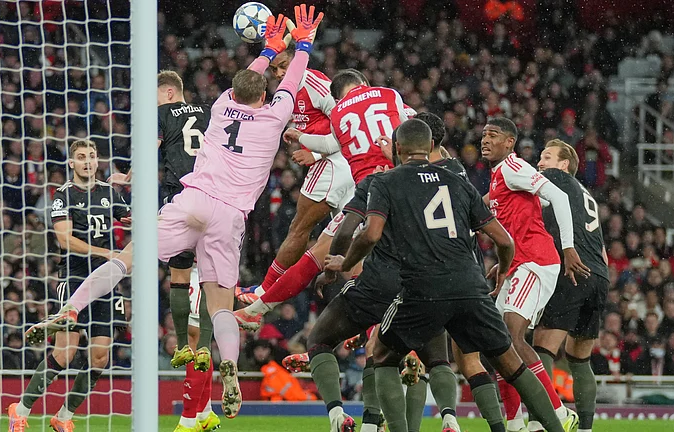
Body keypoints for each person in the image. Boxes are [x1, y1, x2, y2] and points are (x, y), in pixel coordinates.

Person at [24, 5, 324, 420]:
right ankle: (231, 366)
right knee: (220, 304)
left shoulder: (221, 106)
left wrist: (268, 49)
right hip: (230, 214)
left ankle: (71, 307)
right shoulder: (275, 116)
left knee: (129, 259)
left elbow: (248, 80)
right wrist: (303, 44)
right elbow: (291, 82)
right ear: (264, 96)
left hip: (192, 199)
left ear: (233, 93)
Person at [326, 119, 566, 432]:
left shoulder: (387, 181)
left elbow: (370, 234)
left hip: (424, 287)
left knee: (382, 353)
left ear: (397, 148)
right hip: (471, 284)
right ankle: (545, 426)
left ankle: (385, 426)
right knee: (509, 362)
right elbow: (504, 240)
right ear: (430, 148)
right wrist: (504, 269)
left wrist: (345, 264)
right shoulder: (457, 180)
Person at [235, 68, 413, 327]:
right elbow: (416, 127)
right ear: (363, 82)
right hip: (405, 185)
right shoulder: (389, 95)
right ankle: (382, 336)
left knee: (317, 251)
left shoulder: (339, 113)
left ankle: (258, 306)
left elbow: (332, 144)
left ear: (336, 98)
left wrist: (301, 138)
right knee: (405, 264)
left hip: (368, 191)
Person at [110, 70, 218, 432]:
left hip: (180, 200)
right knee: (210, 287)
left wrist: (126, 177)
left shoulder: (162, 114)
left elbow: (149, 149)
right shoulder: (210, 111)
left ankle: (189, 351)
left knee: (170, 271)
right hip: (218, 202)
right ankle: (202, 405)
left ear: (169, 92)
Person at [12, 139, 130, 432]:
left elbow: (131, 220)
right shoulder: (62, 196)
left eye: (91, 156)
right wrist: (105, 253)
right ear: (72, 163)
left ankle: (63, 416)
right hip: (75, 279)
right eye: (81, 157)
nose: (87, 161)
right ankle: (21, 409)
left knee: (100, 356)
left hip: (107, 282)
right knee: (65, 353)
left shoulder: (108, 193)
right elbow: (64, 240)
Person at [481, 117, 588, 432]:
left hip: (536, 261)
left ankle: (557, 411)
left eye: (493, 135)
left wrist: (568, 247)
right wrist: (502, 266)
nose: (485, 140)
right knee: (497, 343)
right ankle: (515, 422)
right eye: (483, 135)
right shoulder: (498, 176)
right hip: (517, 264)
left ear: (509, 142)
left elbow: (559, 196)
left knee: (511, 337)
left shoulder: (515, 168)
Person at [254, 45, 355, 298]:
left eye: (283, 66)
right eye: (274, 68)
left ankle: (265, 291)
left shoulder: (315, 82)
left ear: (298, 61)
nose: (278, 73)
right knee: (344, 241)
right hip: (336, 165)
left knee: (300, 227)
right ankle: (367, 314)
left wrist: (315, 152)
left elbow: (345, 122)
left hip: (333, 161)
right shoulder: (286, 89)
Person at [527, 139, 610, 432]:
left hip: (572, 270)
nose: (540, 162)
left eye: (547, 157)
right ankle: (586, 428)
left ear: (564, 165)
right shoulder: (587, 195)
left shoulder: (556, 179)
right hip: (598, 275)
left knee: (542, 349)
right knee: (579, 358)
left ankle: (542, 422)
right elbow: (601, 248)